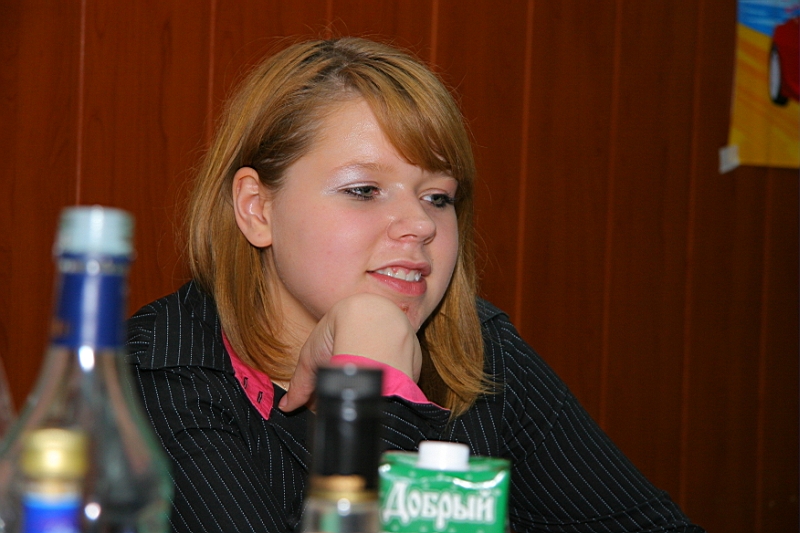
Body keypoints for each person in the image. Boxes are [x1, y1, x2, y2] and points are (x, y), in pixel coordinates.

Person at [127, 37, 705, 533]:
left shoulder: (480, 349)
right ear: (257, 209)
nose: (422, 225)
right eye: (364, 190)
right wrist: (377, 380)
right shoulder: (156, 373)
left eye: (437, 197)